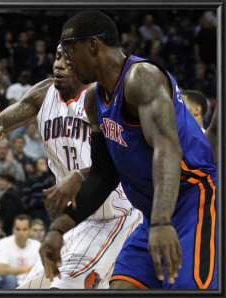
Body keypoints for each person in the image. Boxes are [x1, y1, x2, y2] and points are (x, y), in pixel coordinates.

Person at [39, 10, 217, 290]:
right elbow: (102, 174)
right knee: (122, 287)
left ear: (93, 45)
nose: (68, 62)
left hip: (193, 198)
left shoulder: (141, 79)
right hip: (152, 210)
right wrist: (58, 229)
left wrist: (161, 223)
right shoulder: (93, 99)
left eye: (70, 51)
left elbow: (167, 150)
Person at [0, 45, 141, 289]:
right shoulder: (42, 94)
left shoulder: (107, 98)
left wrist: (82, 175)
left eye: (68, 58)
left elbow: (125, 157)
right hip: (75, 220)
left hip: (114, 214)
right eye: (57, 57)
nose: (59, 64)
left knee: (61, 289)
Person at [0, 214, 41, 289]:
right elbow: (2, 271)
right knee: (10, 278)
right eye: (18, 229)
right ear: (13, 229)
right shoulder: (3, 243)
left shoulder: (37, 245)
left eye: (24, 229)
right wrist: (28, 269)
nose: (21, 233)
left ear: (30, 230)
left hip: (27, 284)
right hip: (2, 284)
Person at [0, 171, 27, 236]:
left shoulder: (9, 195)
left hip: (9, 230)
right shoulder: (12, 193)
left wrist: (2, 227)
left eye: (3, 180)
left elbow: (9, 215)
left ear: (10, 183)